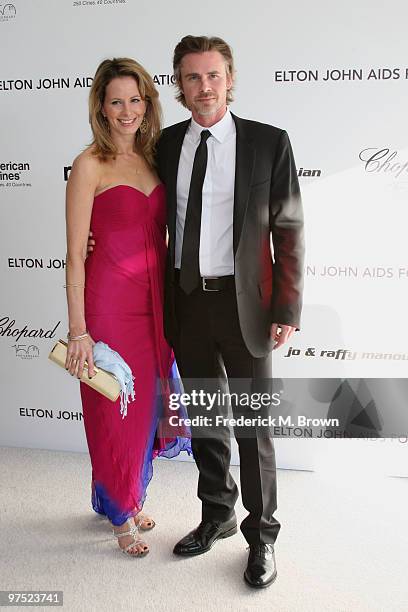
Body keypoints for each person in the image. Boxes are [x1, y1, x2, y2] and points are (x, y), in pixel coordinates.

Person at [155, 35, 304, 588]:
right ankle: (216, 512)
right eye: (192, 77)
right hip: (188, 302)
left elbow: (288, 227)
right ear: (179, 85)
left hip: (250, 308)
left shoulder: (269, 143)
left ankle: (262, 536)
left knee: (253, 426)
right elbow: (148, 215)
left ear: (230, 79)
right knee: (208, 422)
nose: (204, 87)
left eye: (213, 75)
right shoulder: (167, 145)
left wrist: (287, 304)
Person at [65, 57, 190, 558]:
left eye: (135, 99)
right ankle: (121, 515)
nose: (126, 110)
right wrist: (79, 331)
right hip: (108, 306)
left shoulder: (156, 158)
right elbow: (75, 253)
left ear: (148, 103)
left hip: (154, 306)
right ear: (101, 105)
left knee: (143, 410)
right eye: (116, 100)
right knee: (112, 408)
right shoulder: (88, 165)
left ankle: (129, 495)